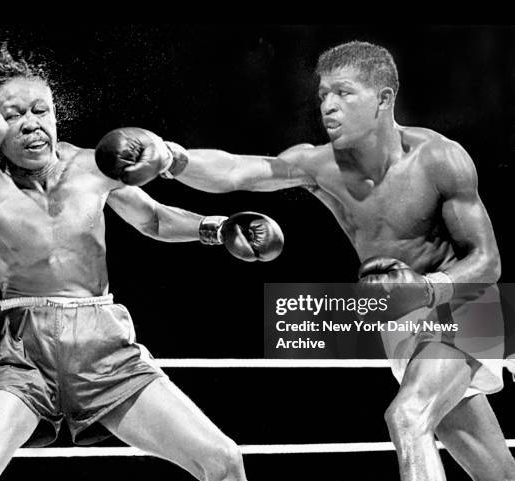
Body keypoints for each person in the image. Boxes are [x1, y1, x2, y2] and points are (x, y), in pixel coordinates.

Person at [106, 41, 515, 481]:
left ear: (384, 98)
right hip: (403, 319)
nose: (329, 106)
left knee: (409, 417)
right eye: (323, 95)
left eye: (344, 93)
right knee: (494, 470)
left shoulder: (438, 158)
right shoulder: (320, 165)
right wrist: (171, 158)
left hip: (464, 304)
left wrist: (427, 285)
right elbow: (240, 171)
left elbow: (487, 260)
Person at [0, 49, 285, 481]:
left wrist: (215, 228)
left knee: (223, 461)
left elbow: (155, 219)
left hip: (104, 347)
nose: (33, 123)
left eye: (41, 110)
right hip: (23, 352)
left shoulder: (92, 165)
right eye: (15, 116)